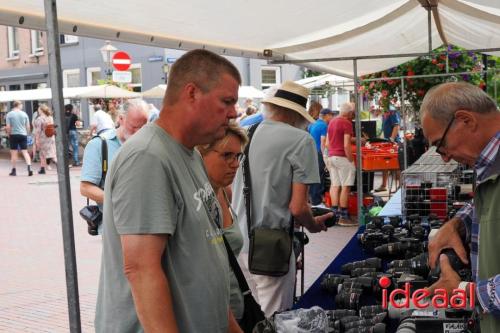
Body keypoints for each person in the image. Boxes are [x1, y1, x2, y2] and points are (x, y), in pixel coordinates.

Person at [95, 49, 243, 333]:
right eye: (226, 101)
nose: (234, 112)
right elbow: (140, 270)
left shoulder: (190, 155)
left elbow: (202, 259)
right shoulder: (148, 157)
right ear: (192, 93)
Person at [232, 81, 332, 317]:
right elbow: (298, 207)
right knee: (276, 320)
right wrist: (313, 224)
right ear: (299, 114)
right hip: (272, 245)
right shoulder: (300, 140)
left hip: (237, 242)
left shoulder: (247, 132)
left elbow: (228, 190)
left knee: (249, 318)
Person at [422, 82, 500, 333]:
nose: (444, 157)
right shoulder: (488, 162)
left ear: (466, 120)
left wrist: (465, 292)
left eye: (440, 145)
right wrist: (458, 223)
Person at [198, 121, 249, 322]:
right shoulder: (196, 199)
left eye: (238, 156)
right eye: (227, 155)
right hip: (210, 314)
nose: (235, 163)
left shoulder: (224, 190)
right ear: (200, 154)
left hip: (233, 306)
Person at [80, 99, 149, 235]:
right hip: (115, 228)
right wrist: (120, 200)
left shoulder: (147, 143)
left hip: (147, 225)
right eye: (134, 126)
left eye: (144, 126)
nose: (139, 132)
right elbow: (86, 188)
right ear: (121, 119)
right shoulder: (99, 145)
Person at [326, 102, 357, 226]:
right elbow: (346, 144)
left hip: (332, 157)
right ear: (349, 113)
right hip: (342, 157)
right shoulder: (347, 123)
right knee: (346, 186)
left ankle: (334, 215)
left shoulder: (332, 121)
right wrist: (350, 159)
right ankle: (344, 216)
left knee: (335, 185)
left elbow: (328, 143)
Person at [308, 108, 335, 206]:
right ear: (326, 115)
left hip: (311, 152)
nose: (332, 117)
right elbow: (323, 141)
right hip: (319, 153)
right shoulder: (324, 125)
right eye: (331, 115)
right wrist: (325, 156)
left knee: (314, 176)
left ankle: (312, 198)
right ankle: (317, 201)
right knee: (319, 177)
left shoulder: (312, 124)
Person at [374, 105, 401, 192]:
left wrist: (392, 139)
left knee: (396, 164)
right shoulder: (384, 113)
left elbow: (396, 126)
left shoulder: (392, 111)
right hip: (386, 141)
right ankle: (384, 185)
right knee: (384, 162)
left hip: (393, 142)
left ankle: (400, 186)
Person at [6, 101, 33, 176]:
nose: (22, 106)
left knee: (14, 153)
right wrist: (27, 134)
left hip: (13, 135)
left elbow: (8, 127)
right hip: (23, 134)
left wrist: (8, 134)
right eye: (21, 105)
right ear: (18, 105)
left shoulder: (9, 114)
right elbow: (28, 126)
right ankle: (29, 167)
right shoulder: (24, 114)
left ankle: (14, 170)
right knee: (25, 152)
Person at [34, 104, 57, 174]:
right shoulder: (50, 117)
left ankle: (42, 169)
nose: (38, 111)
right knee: (52, 152)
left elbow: (38, 131)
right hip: (51, 137)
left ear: (41, 110)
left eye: (39, 110)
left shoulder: (39, 119)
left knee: (42, 154)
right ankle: (58, 164)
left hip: (43, 138)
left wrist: (37, 140)